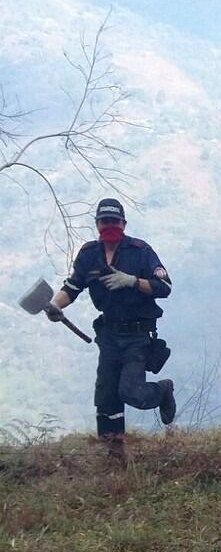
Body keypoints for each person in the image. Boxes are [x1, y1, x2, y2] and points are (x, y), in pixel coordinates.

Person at [46, 197, 176, 461]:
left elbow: (165, 287)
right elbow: (72, 287)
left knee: (131, 392)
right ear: (97, 224)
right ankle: (114, 457)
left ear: (123, 223)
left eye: (114, 221)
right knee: (106, 397)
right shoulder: (89, 254)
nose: (109, 226)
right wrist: (54, 306)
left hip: (138, 336)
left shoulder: (140, 251)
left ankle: (162, 390)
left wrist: (133, 281)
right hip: (108, 335)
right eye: (104, 221)